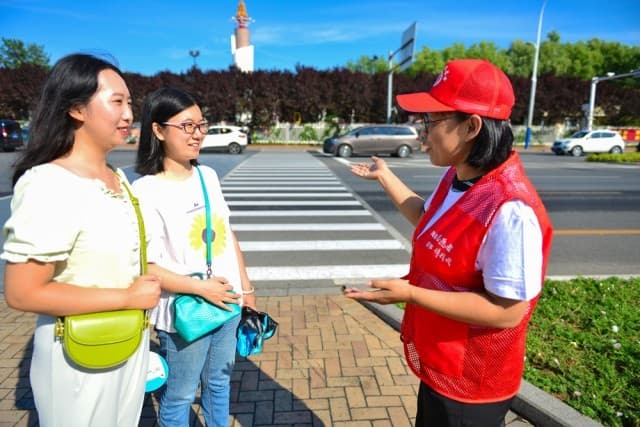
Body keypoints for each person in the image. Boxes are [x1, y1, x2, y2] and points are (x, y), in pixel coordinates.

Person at [344, 59, 553, 426]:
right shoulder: (459, 177)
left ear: (471, 126)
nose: (421, 133)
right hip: (443, 365)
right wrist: (386, 177)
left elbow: (507, 311)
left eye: (431, 122)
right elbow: (432, 221)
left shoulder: (511, 209)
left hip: (472, 383)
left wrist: (410, 294)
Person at [1, 53, 161, 426]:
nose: (128, 114)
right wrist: (125, 298)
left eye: (130, 103)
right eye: (116, 101)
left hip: (127, 343)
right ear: (76, 109)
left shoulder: (118, 178)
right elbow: (22, 292)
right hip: (78, 357)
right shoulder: (49, 183)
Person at [132, 87, 256, 427]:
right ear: (158, 130)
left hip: (227, 301)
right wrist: (202, 289)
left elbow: (226, 234)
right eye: (187, 126)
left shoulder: (208, 176)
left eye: (201, 124)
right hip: (185, 310)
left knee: (219, 383)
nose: (197, 133)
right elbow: (147, 265)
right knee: (181, 395)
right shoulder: (145, 191)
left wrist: (246, 290)